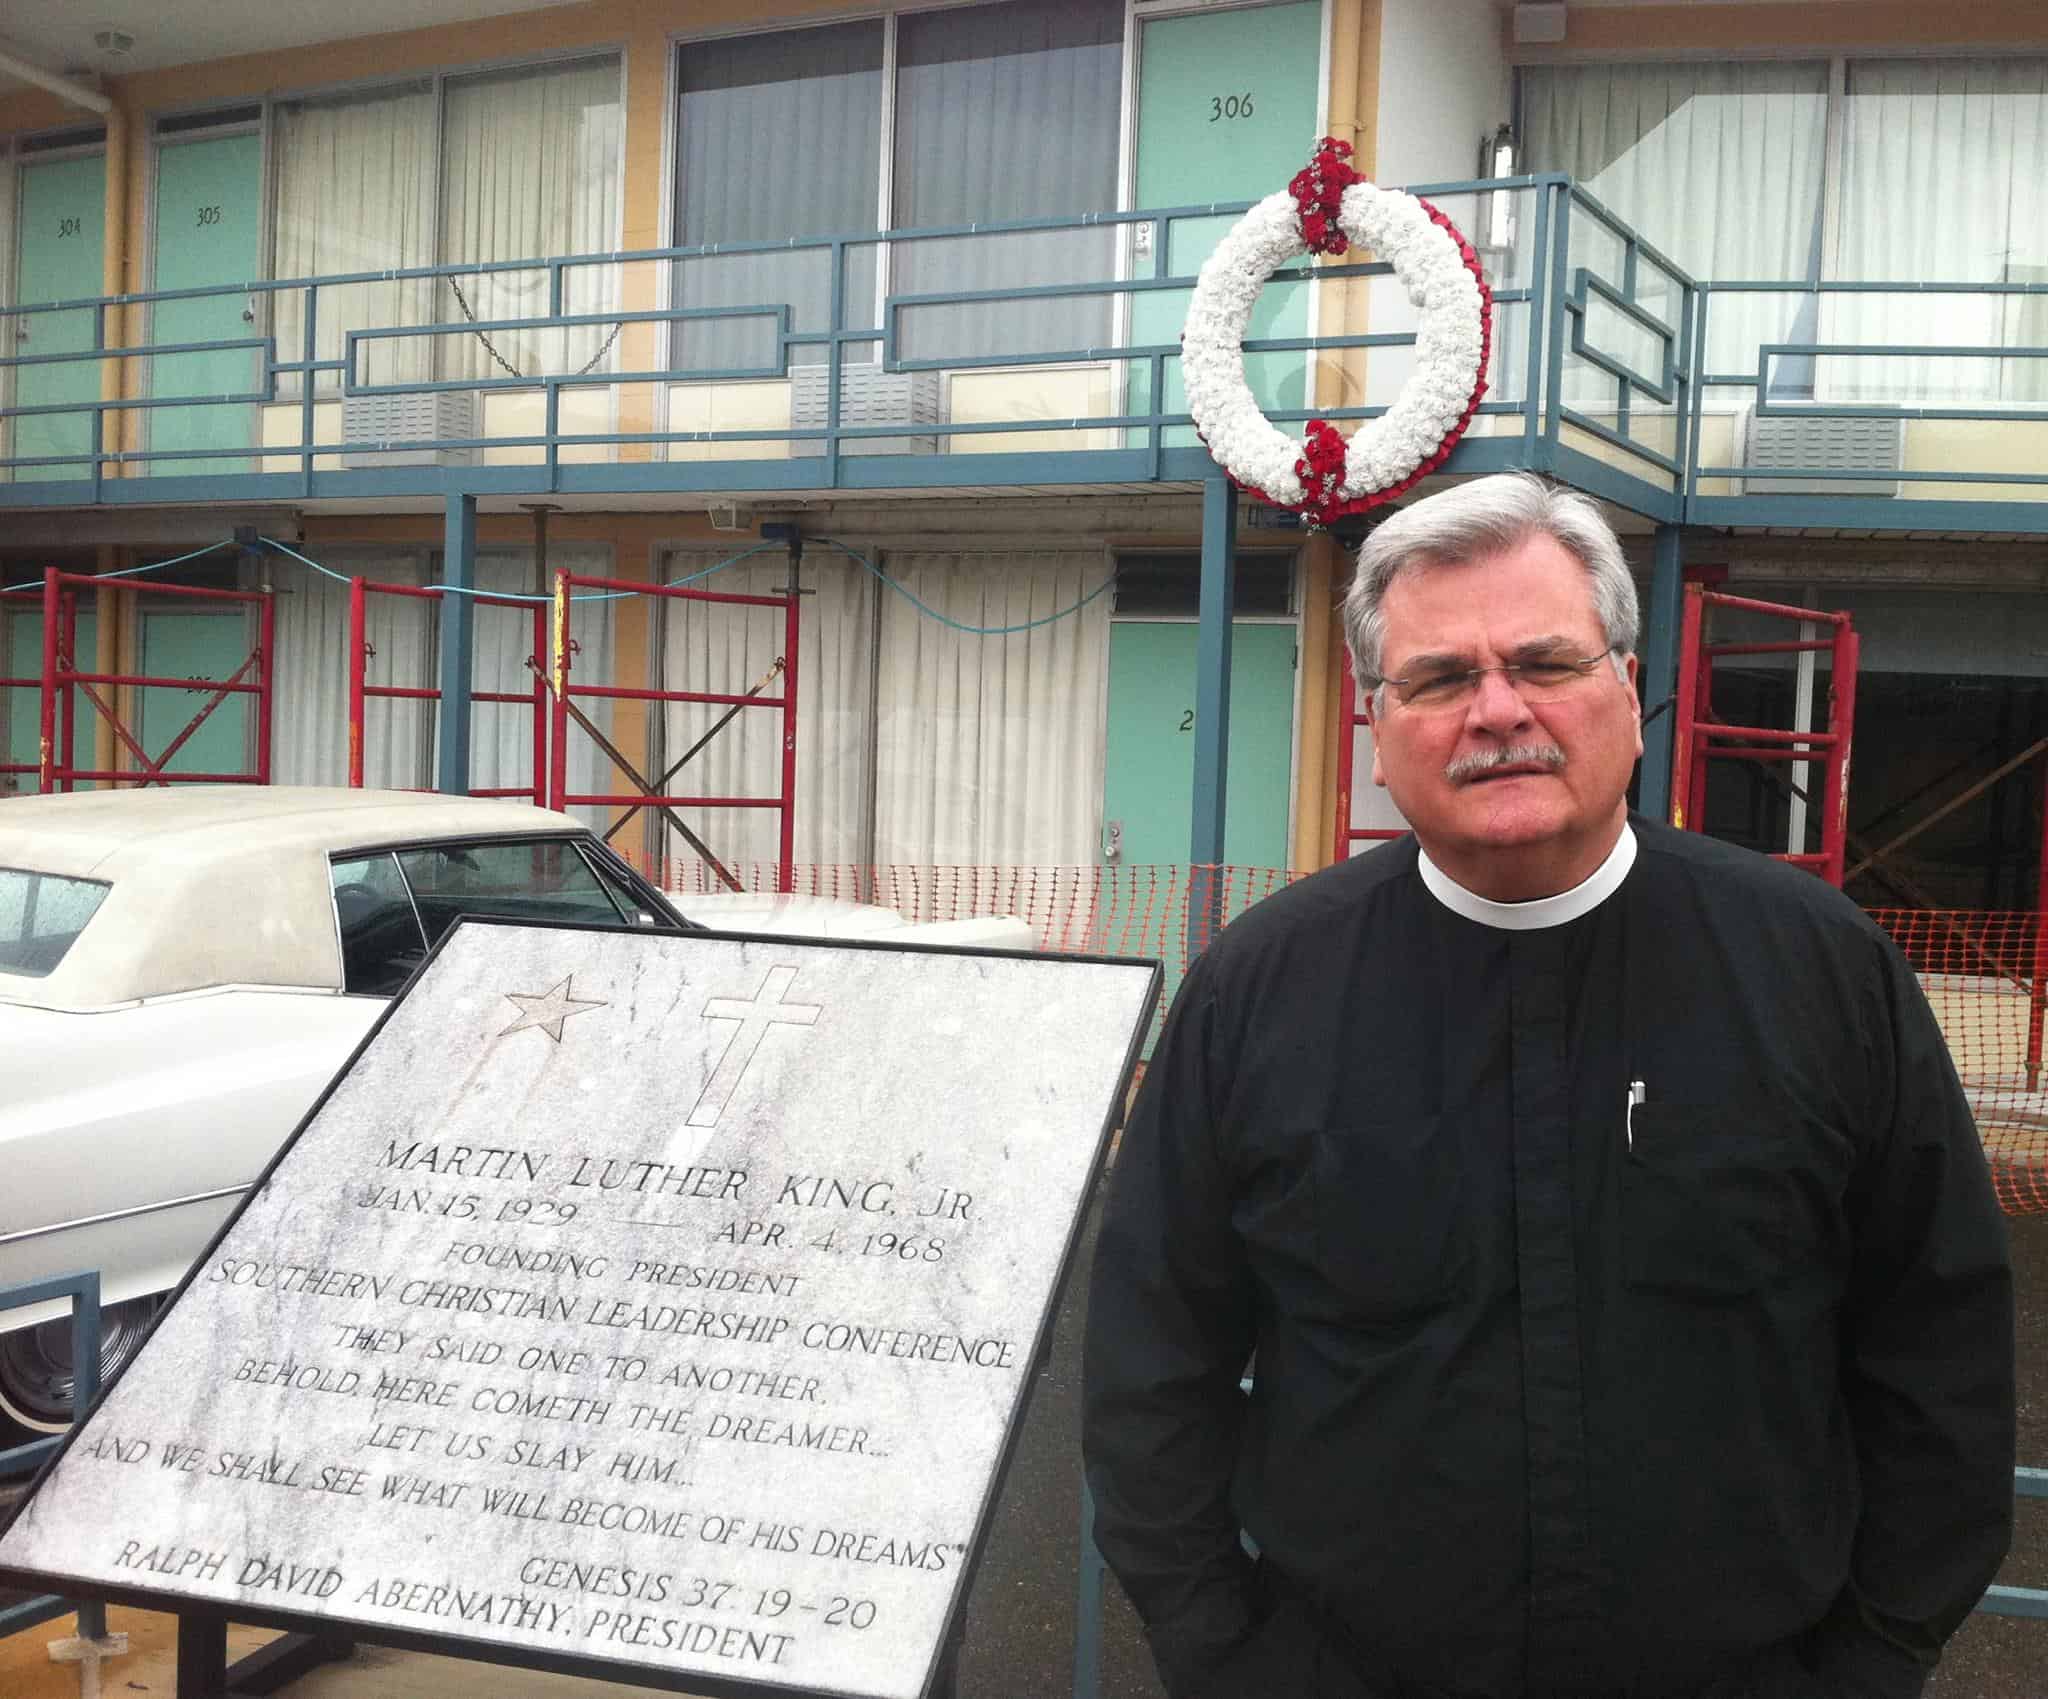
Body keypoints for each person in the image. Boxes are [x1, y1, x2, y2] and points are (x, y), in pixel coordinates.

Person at [1082, 473, 2014, 1699]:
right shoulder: (1255, 991)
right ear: (1376, 719)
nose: (1496, 710)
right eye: (1438, 678)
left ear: (1625, 688)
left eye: (1544, 661)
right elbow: (1152, 1359)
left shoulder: (1816, 968)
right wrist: (1222, 1651)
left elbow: (1935, 1342)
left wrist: (1874, 1652)